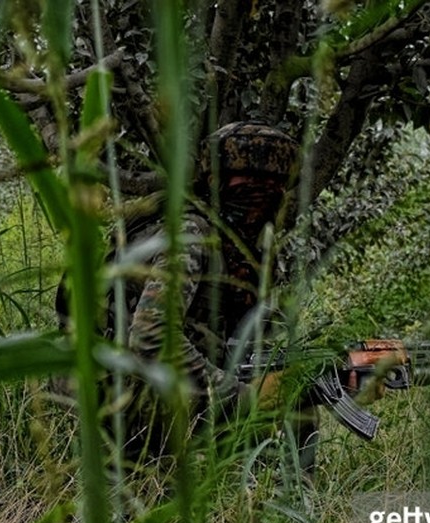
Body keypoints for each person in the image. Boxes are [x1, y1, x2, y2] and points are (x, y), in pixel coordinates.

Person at [58, 121, 317, 471]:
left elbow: (245, 343)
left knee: (291, 391)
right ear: (215, 183)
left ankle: (269, 506)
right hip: (114, 396)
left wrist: (326, 372)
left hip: (136, 388)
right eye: (248, 186)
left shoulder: (242, 248)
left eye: (272, 187)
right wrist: (240, 395)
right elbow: (150, 336)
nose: (261, 198)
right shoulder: (192, 233)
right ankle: (289, 510)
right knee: (285, 403)